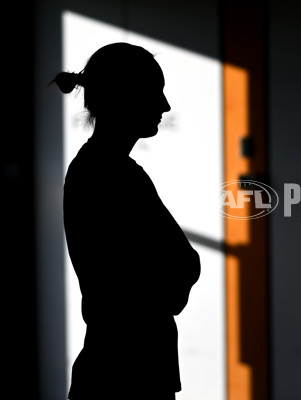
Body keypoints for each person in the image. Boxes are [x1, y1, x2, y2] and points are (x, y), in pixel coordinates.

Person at [49, 42, 201, 400]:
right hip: (128, 373)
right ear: (124, 96)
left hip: (121, 367)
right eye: (154, 92)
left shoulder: (101, 170)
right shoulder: (111, 174)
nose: (164, 105)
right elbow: (179, 266)